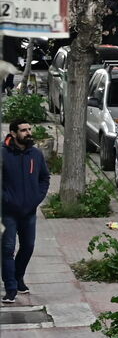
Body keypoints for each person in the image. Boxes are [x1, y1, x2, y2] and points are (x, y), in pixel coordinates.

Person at [2, 121, 50, 303]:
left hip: (29, 211)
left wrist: (36, 198)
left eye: (29, 129)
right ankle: (11, 288)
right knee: (7, 249)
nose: (28, 132)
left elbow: (44, 178)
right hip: (7, 212)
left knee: (28, 246)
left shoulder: (35, 154)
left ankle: (18, 276)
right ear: (13, 133)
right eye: (23, 130)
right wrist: (6, 199)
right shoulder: (3, 154)